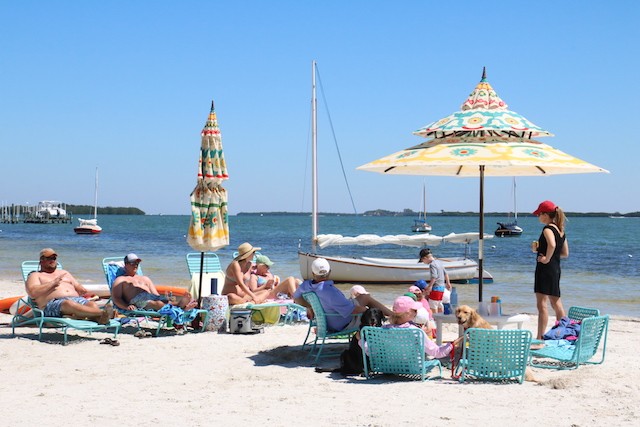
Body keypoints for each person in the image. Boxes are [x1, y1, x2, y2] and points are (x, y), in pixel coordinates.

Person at [293, 258, 392, 332]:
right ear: (329, 272)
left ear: (313, 273)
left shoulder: (306, 285)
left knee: (361, 297)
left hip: (327, 321)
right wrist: (368, 311)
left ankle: (391, 315)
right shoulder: (329, 291)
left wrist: (309, 306)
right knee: (366, 298)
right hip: (341, 324)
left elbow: (296, 297)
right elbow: (352, 311)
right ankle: (393, 316)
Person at [25, 248, 113, 324]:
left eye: (54, 258)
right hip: (51, 305)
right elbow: (32, 292)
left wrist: (82, 290)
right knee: (68, 304)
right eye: (49, 258)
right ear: (41, 260)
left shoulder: (64, 273)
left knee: (91, 304)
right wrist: (53, 283)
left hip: (76, 300)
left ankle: (99, 318)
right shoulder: (35, 275)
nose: (52, 260)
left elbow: (78, 287)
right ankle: (102, 313)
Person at [361, 296, 461, 358]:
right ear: (408, 313)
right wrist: (452, 344)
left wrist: (360, 340)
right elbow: (437, 352)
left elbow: (370, 351)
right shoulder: (415, 331)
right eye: (415, 310)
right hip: (412, 368)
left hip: (387, 368)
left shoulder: (383, 330)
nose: (416, 312)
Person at [532, 200, 569, 340]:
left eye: (539, 214)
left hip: (545, 269)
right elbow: (564, 253)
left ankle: (540, 337)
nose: (538, 217)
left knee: (542, 305)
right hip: (555, 269)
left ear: (545, 215)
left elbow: (552, 245)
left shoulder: (547, 229)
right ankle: (563, 333)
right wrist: (539, 250)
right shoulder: (561, 230)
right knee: (556, 303)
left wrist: (546, 259)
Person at [111, 253, 197, 311]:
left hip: (151, 298)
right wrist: (126, 307)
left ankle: (180, 306)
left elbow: (156, 295)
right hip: (137, 301)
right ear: (126, 264)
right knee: (155, 302)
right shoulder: (120, 280)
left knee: (163, 300)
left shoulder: (145, 279)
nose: (136, 265)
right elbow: (116, 298)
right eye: (133, 263)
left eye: (137, 263)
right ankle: (180, 307)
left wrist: (164, 299)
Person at [419, 248, 451, 313]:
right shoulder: (439, 262)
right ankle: (441, 318)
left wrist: (430, 286)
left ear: (425, 258)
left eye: (423, 261)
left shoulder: (432, 264)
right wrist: (448, 283)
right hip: (442, 288)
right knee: (439, 304)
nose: (424, 263)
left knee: (433, 306)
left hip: (436, 288)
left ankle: (435, 318)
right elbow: (445, 273)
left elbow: (434, 277)